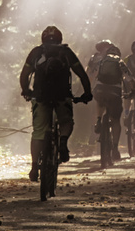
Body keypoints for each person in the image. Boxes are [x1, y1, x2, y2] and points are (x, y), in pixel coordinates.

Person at [19, 26, 92, 181]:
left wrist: (26, 90)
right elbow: (82, 75)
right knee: (66, 121)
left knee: (38, 132)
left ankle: (33, 167)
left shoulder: (36, 52)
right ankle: (63, 141)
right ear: (60, 38)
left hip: (41, 96)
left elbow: (24, 74)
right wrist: (87, 93)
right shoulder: (66, 52)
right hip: (62, 95)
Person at [90, 42, 134, 165]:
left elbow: (92, 75)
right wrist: (134, 90)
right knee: (115, 120)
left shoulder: (101, 61)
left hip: (100, 90)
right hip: (115, 92)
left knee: (99, 102)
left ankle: (98, 120)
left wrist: (88, 89)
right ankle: (115, 148)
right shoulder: (120, 62)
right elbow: (129, 78)